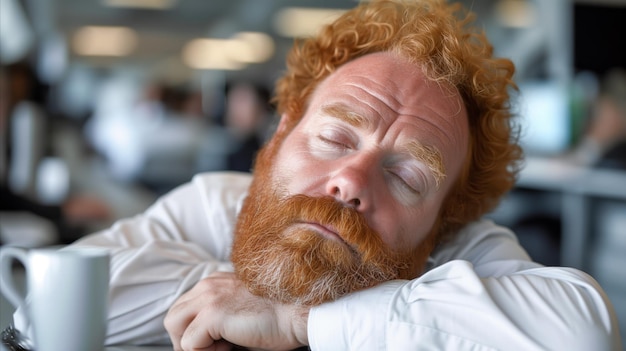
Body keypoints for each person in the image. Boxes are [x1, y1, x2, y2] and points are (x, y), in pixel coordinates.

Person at [8, 0, 623, 350]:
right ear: (280, 135)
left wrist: (296, 318)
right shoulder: (216, 202)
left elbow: (582, 334)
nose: (351, 180)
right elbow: (46, 312)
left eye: (408, 177)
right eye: (333, 138)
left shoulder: (461, 246)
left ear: (445, 220)